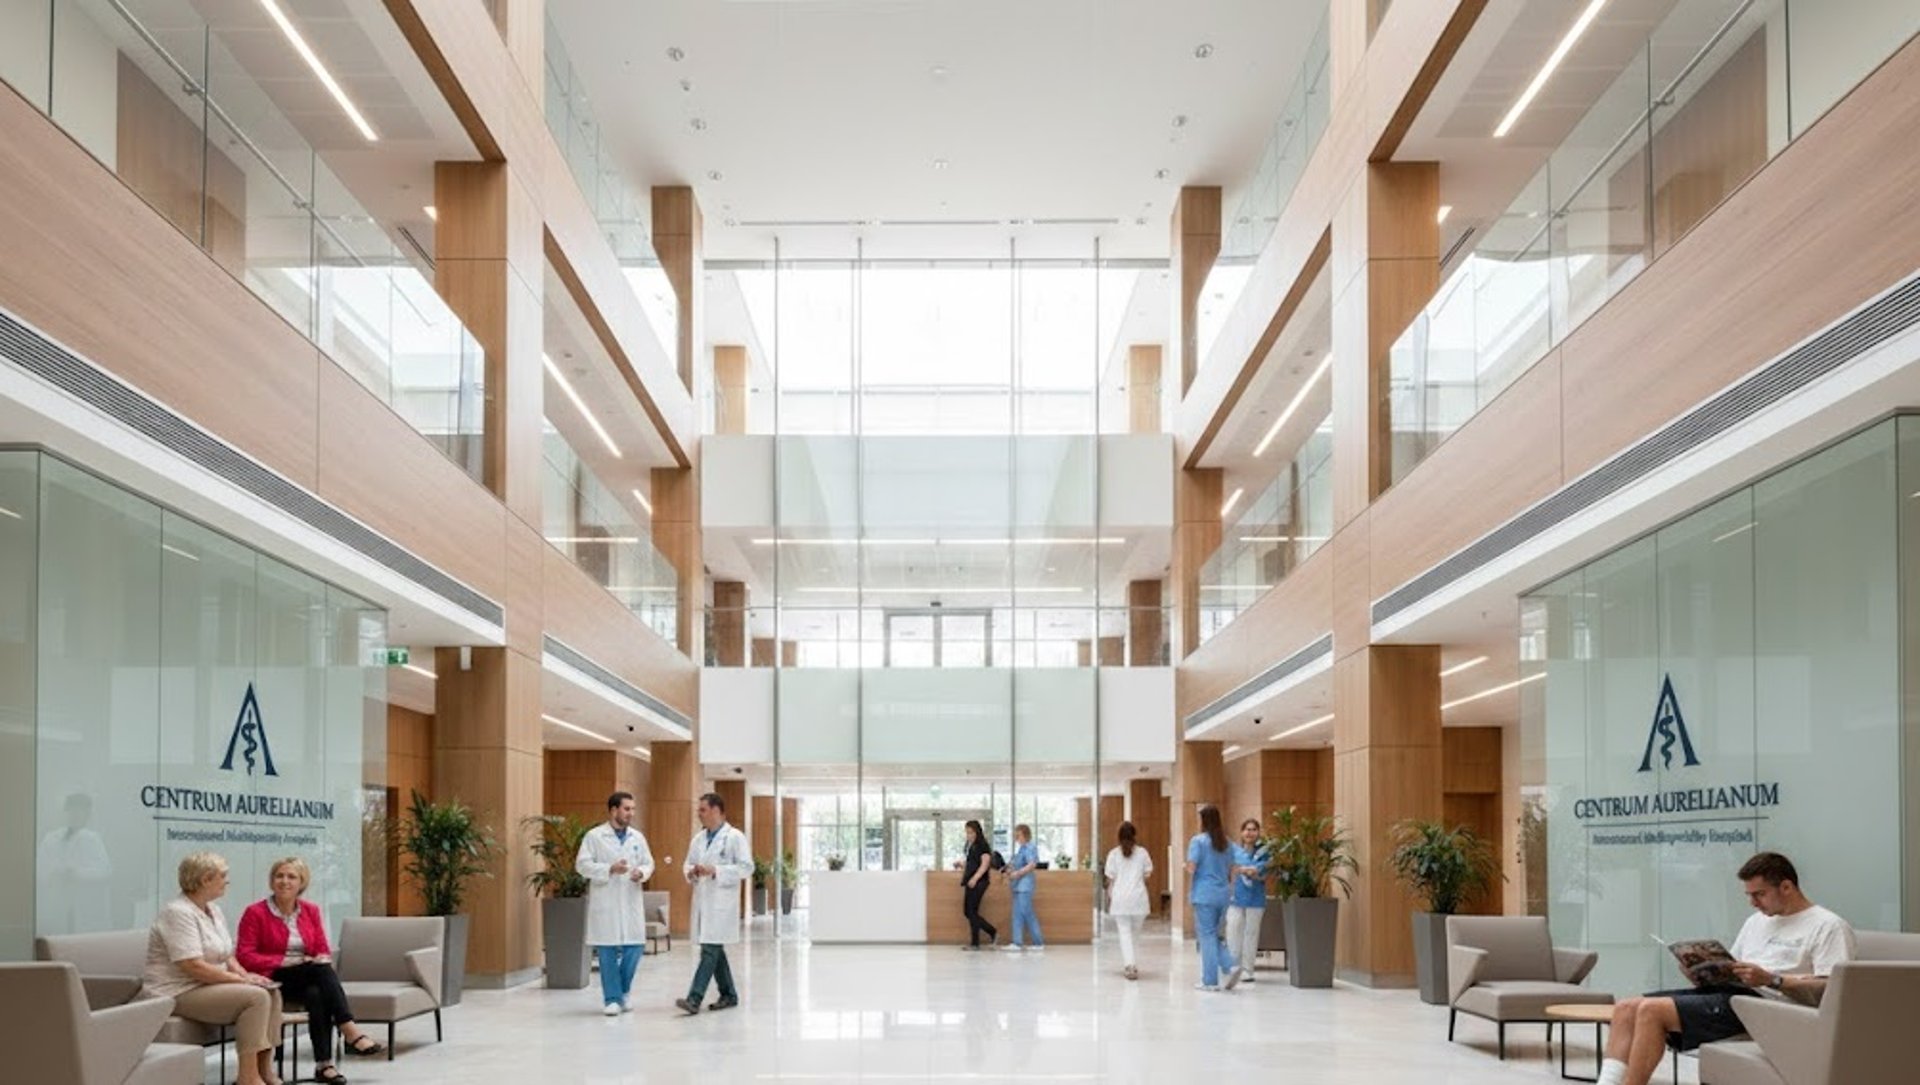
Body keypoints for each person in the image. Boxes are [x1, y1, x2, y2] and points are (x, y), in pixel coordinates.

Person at [1596, 852, 1855, 1085]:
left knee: (1651, 1011)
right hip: (1734, 997)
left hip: (1771, 1006)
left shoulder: (1828, 926)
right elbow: (1733, 968)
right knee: (1626, 1007)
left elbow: (1832, 989)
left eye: (1759, 894)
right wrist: (1702, 973)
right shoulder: (1756, 922)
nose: (1753, 903)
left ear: (1787, 886)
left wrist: (1772, 979)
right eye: (1749, 895)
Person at [236, 857, 383, 1083]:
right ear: (272, 881)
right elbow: (245, 955)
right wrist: (284, 962)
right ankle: (349, 1029)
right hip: (272, 977)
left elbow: (321, 949)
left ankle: (324, 1065)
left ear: (301, 883)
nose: (284, 881)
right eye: (279, 876)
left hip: (306, 977)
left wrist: (316, 958)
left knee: (317, 991)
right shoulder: (255, 912)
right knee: (320, 971)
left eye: (291, 877)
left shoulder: (311, 911)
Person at [143, 852, 285, 1085]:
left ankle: (264, 1070)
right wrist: (241, 982)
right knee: (255, 997)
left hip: (206, 985)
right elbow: (193, 966)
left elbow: (227, 955)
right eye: (223, 875)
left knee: (271, 991)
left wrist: (245, 974)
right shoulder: (177, 912)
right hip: (178, 990)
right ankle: (248, 1078)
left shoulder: (213, 910)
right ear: (205, 880)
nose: (227, 880)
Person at [577, 791, 656, 1016]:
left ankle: (622, 992)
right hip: (606, 900)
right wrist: (609, 869)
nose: (631, 813)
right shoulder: (594, 836)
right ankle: (612, 999)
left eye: (632, 809)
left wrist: (641, 872)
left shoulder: (637, 837)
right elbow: (582, 866)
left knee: (636, 946)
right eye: (627, 809)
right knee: (607, 949)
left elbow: (649, 863)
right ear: (613, 810)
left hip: (630, 899)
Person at [675, 792, 752, 1015]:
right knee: (714, 949)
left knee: (709, 950)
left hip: (722, 904)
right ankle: (729, 995)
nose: (699, 814)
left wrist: (716, 870)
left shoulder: (735, 837)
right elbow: (687, 864)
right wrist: (692, 872)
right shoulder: (698, 839)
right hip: (703, 901)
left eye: (703, 810)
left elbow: (747, 867)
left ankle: (694, 998)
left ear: (717, 811)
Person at [37, 792, 112, 932]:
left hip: (85, 907)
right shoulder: (51, 838)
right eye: (72, 809)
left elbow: (105, 871)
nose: (75, 814)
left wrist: (76, 873)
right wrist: (53, 874)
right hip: (57, 905)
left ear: (87, 814)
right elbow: (40, 869)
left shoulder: (93, 839)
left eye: (80, 810)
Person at [1185, 805, 1240, 992]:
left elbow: (1192, 868)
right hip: (1223, 894)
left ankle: (1210, 980)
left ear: (1203, 821)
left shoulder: (1198, 841)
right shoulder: (1228, 843)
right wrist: (1230, 890)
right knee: (1214, 934)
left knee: (1206, 936)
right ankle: (1229, 965)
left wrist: (1190, 888)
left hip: (1204, 894)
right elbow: (1234, 870)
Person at [1103, 821, 1153, 980]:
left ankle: (1129, 966)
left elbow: (1109, 878)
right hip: (1138, 899)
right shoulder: (1143, 853)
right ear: (1134, 835)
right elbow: (1147, 874)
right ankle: (1132, 963)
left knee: (1124, 933)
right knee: (1134, 934)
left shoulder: (1113, 854)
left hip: (1120, 900)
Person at [1226, 818, 1269, 984]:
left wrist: (1246, 870)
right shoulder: (1235, 851)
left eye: (1253, 830)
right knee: (1233, 932)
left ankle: (1247, 970)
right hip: (1236, 897)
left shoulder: (1264, 852)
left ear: (1258, 833)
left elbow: (1262, 873)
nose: (1249, 833)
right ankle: (1233, 967)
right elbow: (1231, 870)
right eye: (1246, 829)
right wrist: (1247, 870)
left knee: (1251, 934)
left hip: (1256, 899)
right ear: (1241, 832)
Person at [1003, 824, 1044, 953]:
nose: (1016, 838)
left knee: (1027, 913)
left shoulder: (1030, 847)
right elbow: (1017, 863)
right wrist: (1009, 869)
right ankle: (1017, 942)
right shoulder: (1021, 849)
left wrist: (1017, 873)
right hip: (1017, 886)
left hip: (1025, 886)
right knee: (1017, 915)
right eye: (1015, 835)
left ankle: (1038, 943)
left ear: (1025, 834)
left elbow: (1032, 864)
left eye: (1018, 835)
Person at [960, 819, 998, 951]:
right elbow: (972, 862)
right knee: (970, 912)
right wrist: (961, 864)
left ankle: (991, 932)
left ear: (977, 832)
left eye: (970, 832)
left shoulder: (982, 845)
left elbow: (985, 863)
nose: (968, 835)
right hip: (970, 880)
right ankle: (975, 943)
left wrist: (975, 878)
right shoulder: (972, 846)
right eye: (967, 832)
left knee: (970, 911)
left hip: (979, 882)